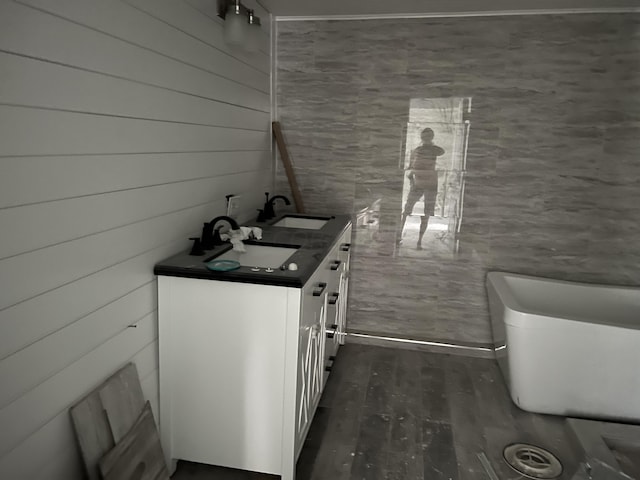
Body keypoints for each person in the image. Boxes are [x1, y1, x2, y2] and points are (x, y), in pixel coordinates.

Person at [399, 127, 445, 249]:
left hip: (428, 184)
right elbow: (410, 169)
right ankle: (399, 237)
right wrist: (412, 180)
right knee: (407, 210)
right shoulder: (416, 151)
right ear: (422, 138)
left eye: (428, 136)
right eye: (425, 137)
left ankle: (419, 241)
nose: (426, 139)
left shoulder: (432, 150)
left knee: (426, 213)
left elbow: (441, 151)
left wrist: (428, 146)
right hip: (420, 183)